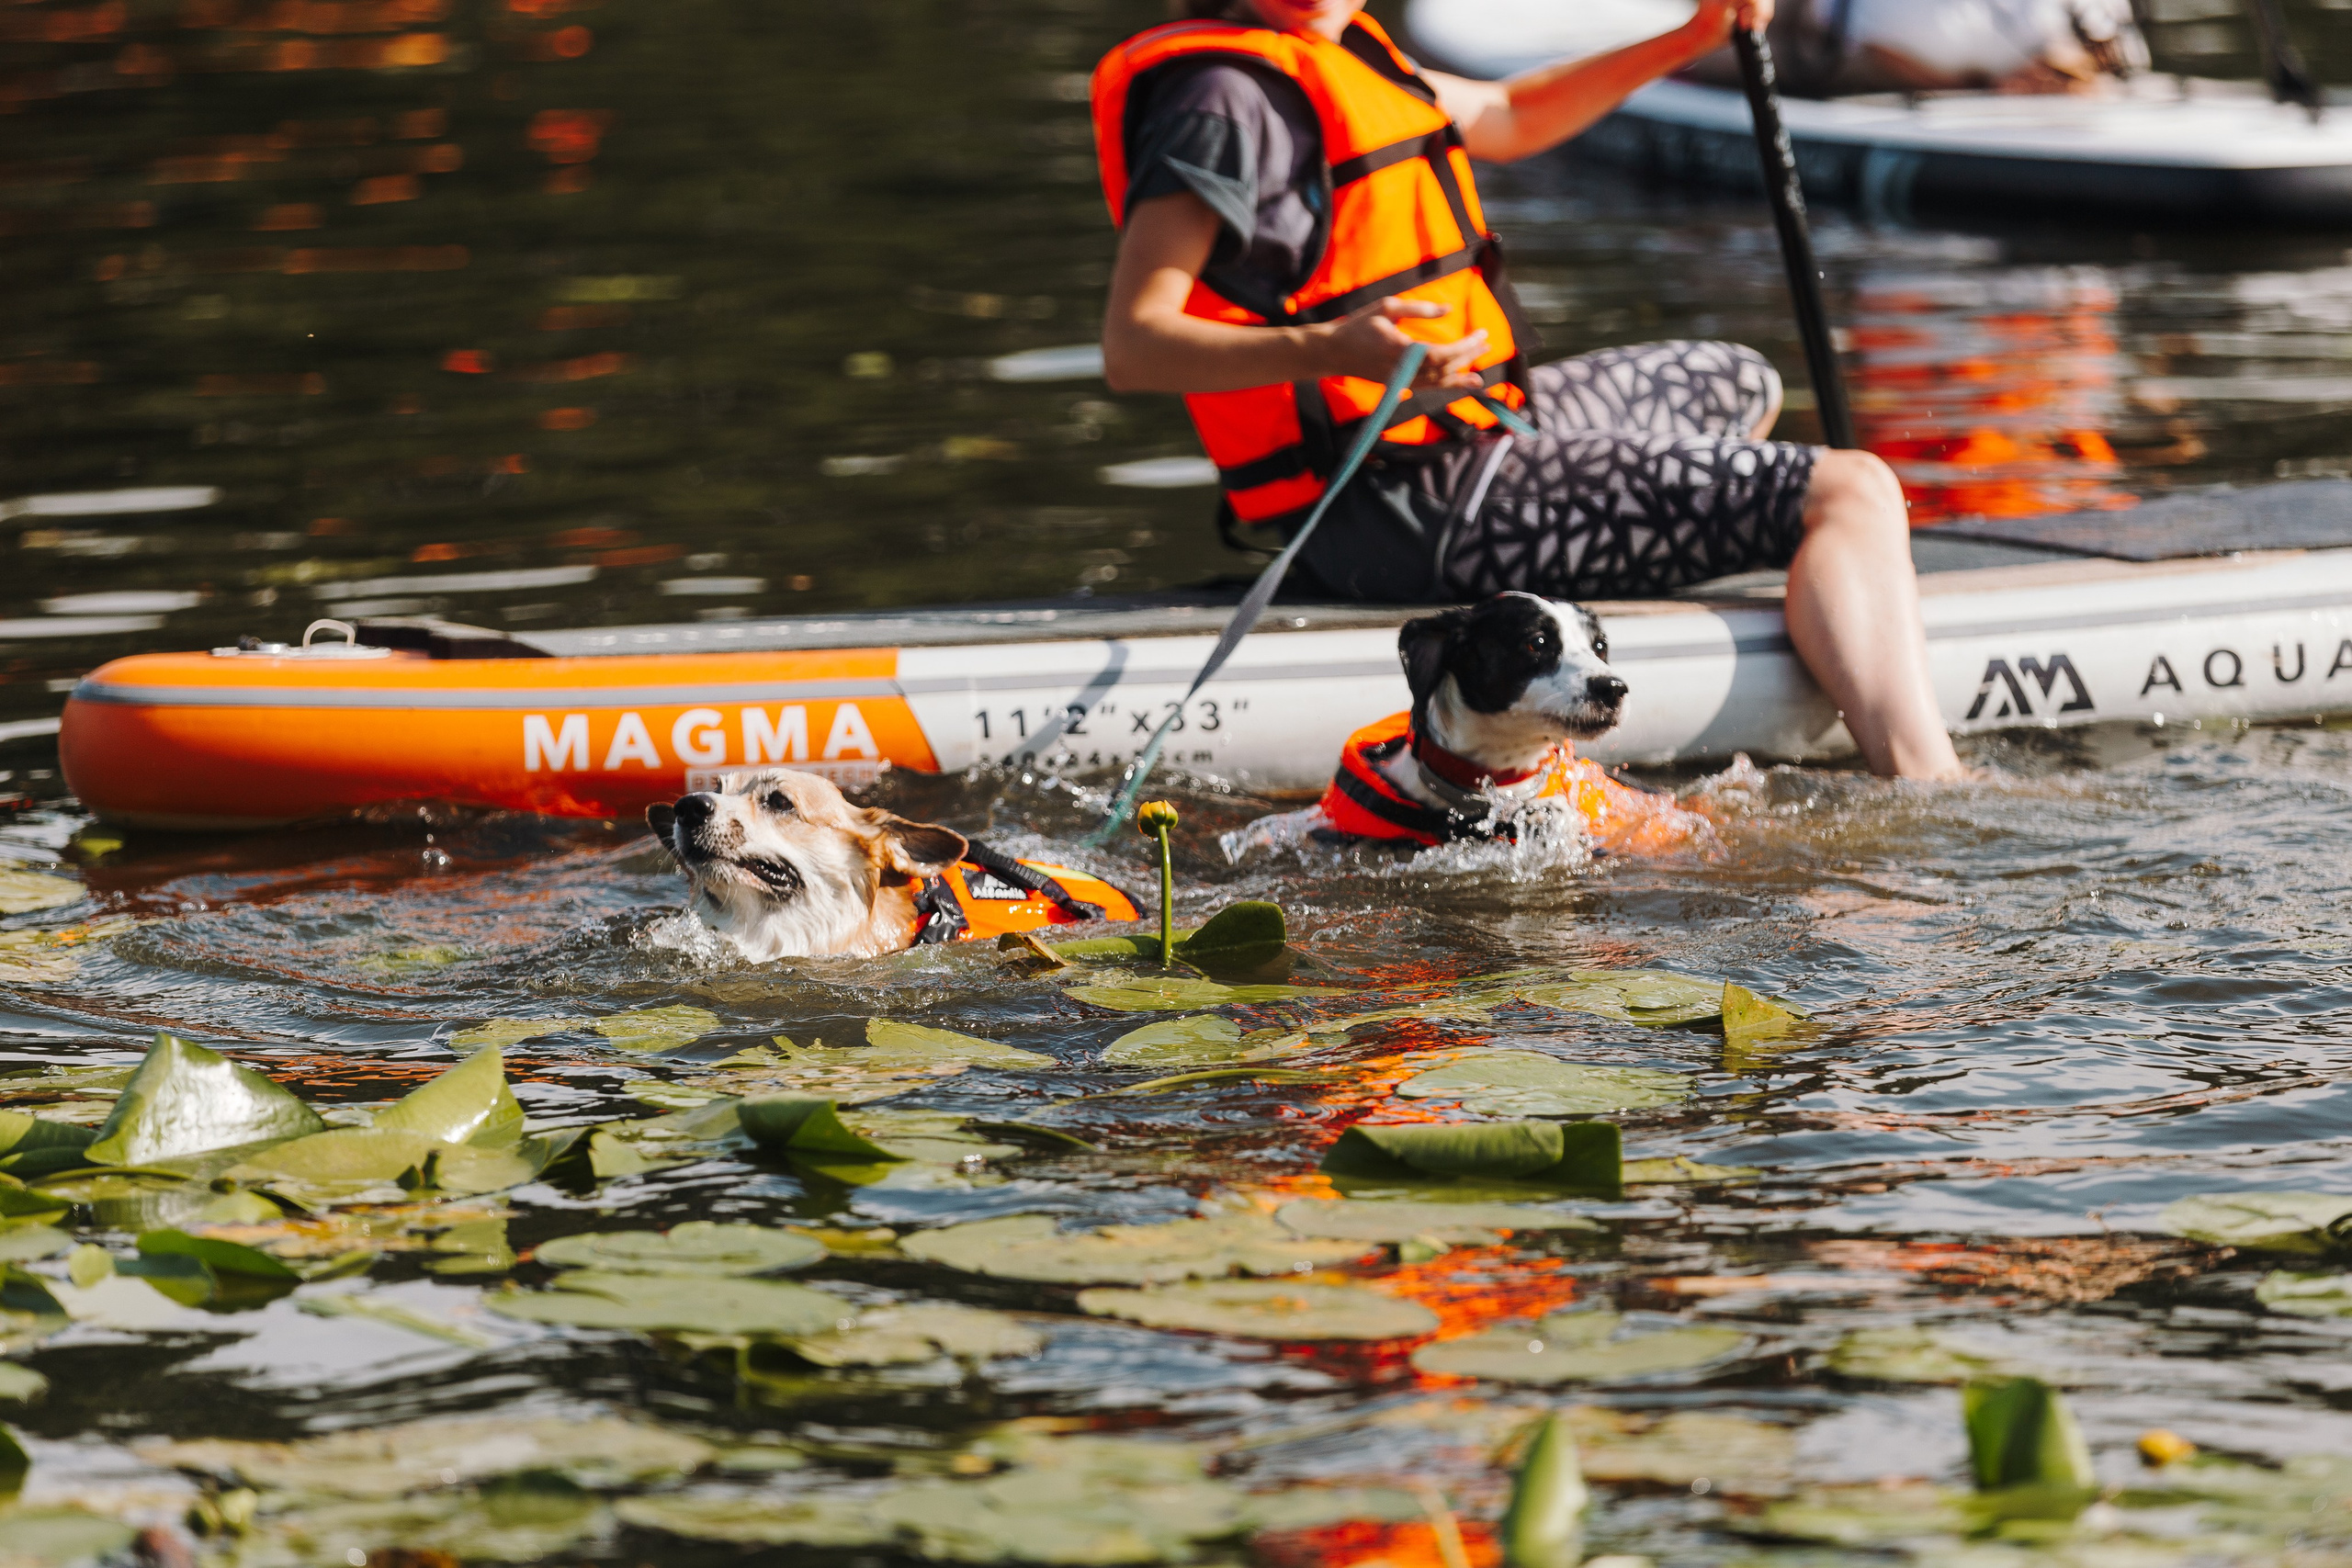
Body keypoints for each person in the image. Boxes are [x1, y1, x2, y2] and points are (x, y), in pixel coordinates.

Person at [1092, 0, 1964, 778]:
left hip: (1475, 428)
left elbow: (1513, 113)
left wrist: (1691, 36)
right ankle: (1931, 784)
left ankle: (1624, 621)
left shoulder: (1343, 47)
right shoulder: (1215, 96)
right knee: (1851, 491)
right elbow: (1135, 346)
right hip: (1391, 500)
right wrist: (1334, 349)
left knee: (1733, 383)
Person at [1697, 0, 2150, 96]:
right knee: (1723, 50)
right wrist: (1982, 85)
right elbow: (1879, 51)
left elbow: (2115, 52)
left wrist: (2065, 69)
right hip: (1834, 40)